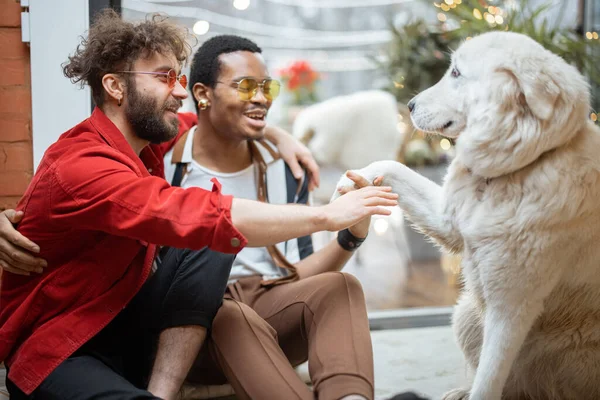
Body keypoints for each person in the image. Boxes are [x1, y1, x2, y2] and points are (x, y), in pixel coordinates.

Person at [0, 11, 398, 400]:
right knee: (206, 223)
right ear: (115, 87)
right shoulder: (81, 164)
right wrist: (328, 217)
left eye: (180, 78)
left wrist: (276, 133)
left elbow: (213, 121)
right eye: (163, 78)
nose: (179, 91)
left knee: (216, 241)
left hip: (130, 330)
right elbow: (188, 211)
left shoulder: (149, 142)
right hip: (61, 347)